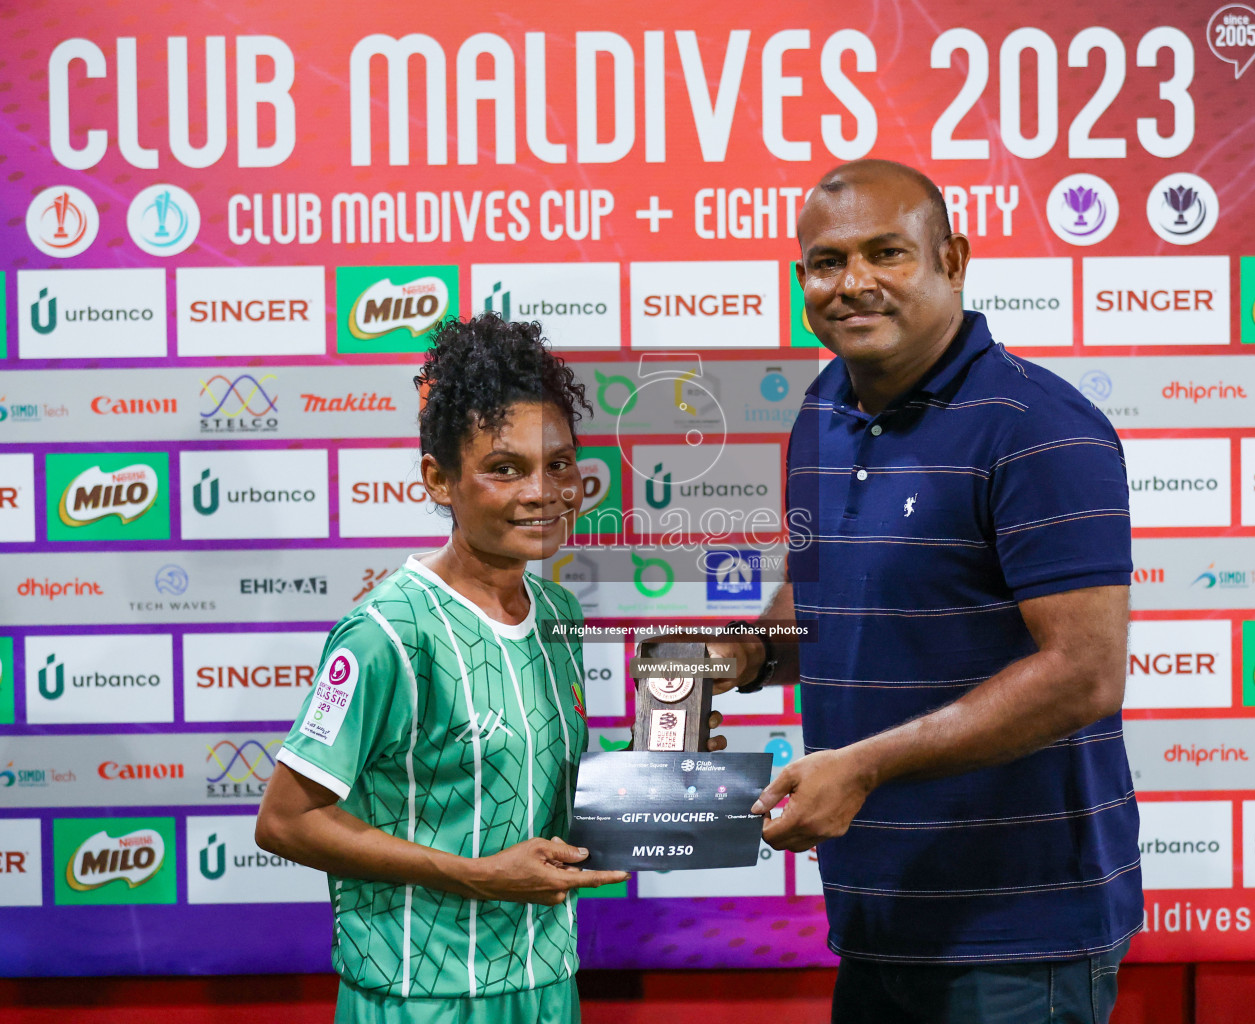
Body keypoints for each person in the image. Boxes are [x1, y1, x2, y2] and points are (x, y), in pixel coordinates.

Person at [712, 160, 1141, 1023]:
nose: (854, 283)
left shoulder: (1040, 428)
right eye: (827, 262)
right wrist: (746, 655)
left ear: (954, 258)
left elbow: (1084, 674)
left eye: (886, 253)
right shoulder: (823, 410)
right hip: (879, 913)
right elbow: (824, 600)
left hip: (1022, 934)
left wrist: (864, 766)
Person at [256, 314, 722, 1024]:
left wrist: (659, 771)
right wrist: (477, 877)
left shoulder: (558, 608)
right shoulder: (387, 631)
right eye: (506, 469)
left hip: (546, 983)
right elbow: (287, 822)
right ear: (439, 481)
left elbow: (539, 802)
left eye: (559, 464)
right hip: (419, 996)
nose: (543, 491)